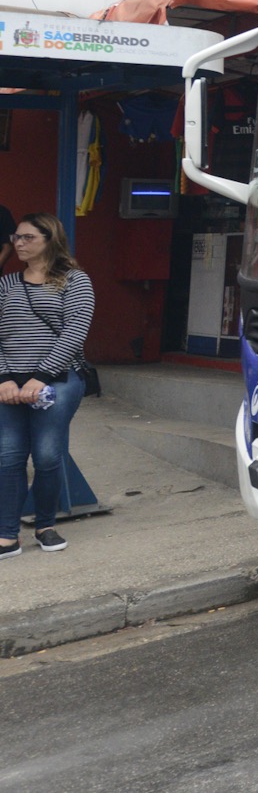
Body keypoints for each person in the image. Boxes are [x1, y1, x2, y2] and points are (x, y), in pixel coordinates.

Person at [0, 213, 96, 557]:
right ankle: (7, 536)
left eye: (27, 237)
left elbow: (74, 333)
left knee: (46, 454)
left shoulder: (75, 281)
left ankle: (45, 525)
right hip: (10, 383)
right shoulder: (6, 284)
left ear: (50, 240)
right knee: (8, 455)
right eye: (16, 238)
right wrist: (4, 379)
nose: (19, 244)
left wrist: (41, 377)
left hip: (59, 379)